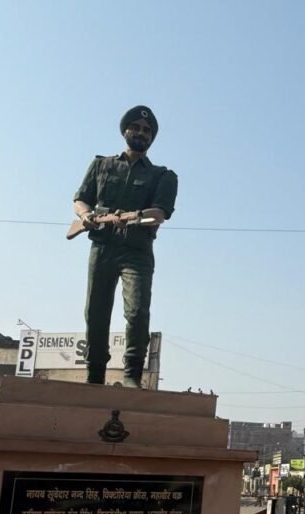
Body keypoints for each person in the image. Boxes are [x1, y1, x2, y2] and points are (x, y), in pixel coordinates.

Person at [73, 106, 178, 386]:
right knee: (95, 310)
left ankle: (132, 374)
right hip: (103, 248)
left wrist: (131, 219)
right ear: (125, 131)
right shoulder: (101, 165)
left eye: (147, 131)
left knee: (137, 310)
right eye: (136, 128)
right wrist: (87, 216)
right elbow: (81, 199)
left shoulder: (163, 176)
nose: (141, 133)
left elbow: (159, 213)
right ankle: (94, 373)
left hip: (137, 251)